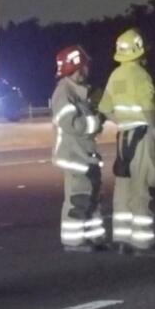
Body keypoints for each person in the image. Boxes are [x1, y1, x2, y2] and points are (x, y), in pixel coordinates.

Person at [98, 28, 155, 253]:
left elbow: (105, 108)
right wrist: (154, 129)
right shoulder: (140, 75)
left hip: (123, 136)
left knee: (123, 188)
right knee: (143, 186)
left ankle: (122, 239)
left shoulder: (115, 76)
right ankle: (142, 242)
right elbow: (148, 106)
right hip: (142, 136)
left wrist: (122, 120)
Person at [50, 46, 107, 251]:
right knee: (79, 198)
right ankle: (74, 241)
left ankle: (93, 237)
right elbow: (73, 124)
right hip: (74, 156)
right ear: (77, 68)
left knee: (92, 197)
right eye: (84, 66)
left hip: (84, 154)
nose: (87, 70)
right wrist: (97, 120)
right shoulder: (63, 93)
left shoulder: (78, 91)